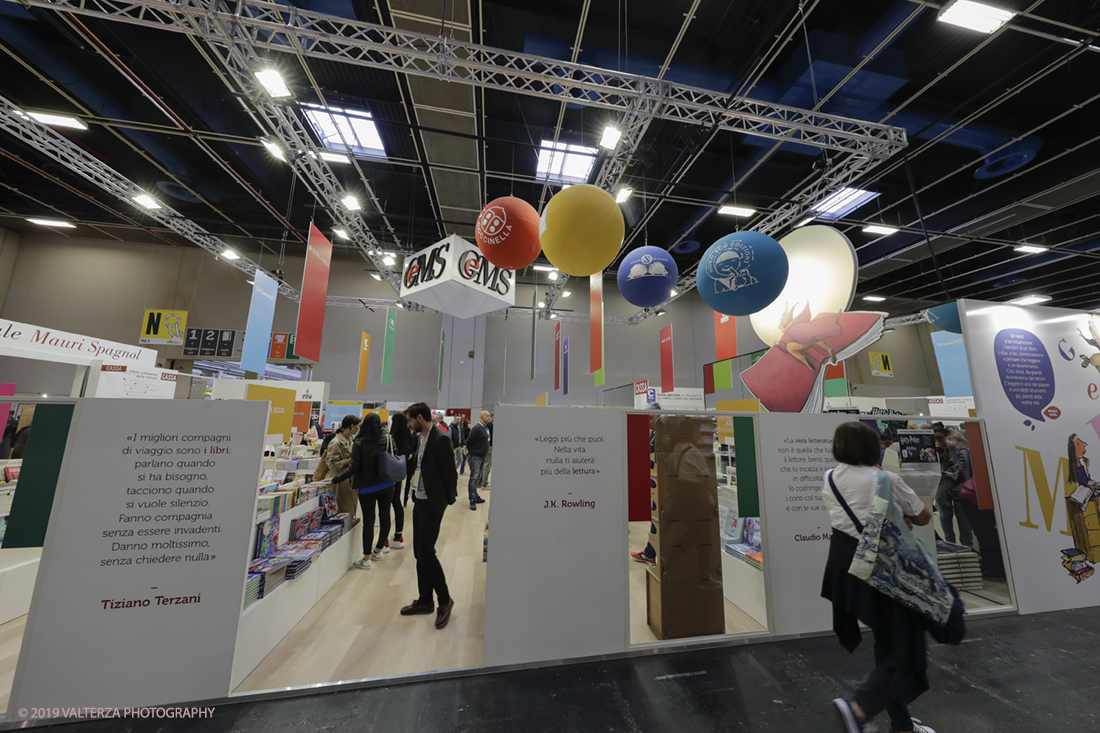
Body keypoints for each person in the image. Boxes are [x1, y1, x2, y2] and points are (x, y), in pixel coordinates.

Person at [822, 422, 935, 733]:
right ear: (874, 448)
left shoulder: (830, 477)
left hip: (845, 567)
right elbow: (924, 516)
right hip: (883, 569)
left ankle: (901, 725)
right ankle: (858, 708)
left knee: (890, 644)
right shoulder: (886, 478)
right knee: (904, 649)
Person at [401, 402, 458, 629]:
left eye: (409, 420)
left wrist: (445, 502)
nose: (408, 425)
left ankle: (444, 600)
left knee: (426, 552)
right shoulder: (420, 438)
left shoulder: (441, 439)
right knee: (418, 553)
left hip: (433, 504)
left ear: (420, 417)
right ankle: (425, 600)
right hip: (420, 501)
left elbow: (450, 474)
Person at [329, 413, 397, 570]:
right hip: (387, 484)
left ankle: (366, 558)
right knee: (385, 516)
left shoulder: (359, 443)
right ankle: (378, 551)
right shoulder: (387, 439)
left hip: (366, 487)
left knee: (369, 521)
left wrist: (335, 480)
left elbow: (353, 468)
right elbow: (395, 456)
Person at [953, 432, 1006, 580]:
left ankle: (992, 568)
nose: (956, 446)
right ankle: (999, 567)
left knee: (983, 533)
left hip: (972, 497)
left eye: (957, 443)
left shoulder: (964, 452)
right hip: (987, 495)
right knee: (990, 532)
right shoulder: (985, 451)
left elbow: (960, 473)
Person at [630, 404, 662, 567]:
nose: (648, 422)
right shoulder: (653, 435)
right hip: (655, 484)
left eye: (650, 418)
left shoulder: (662, 435)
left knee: (658, 519)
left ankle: (650, 553)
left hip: (662, 485)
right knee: (657, 518)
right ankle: (650, 553)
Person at [935, 429, 972, 547]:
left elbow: (961, 469)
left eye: (940, 437)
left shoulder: (957, 448)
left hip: (959, 488)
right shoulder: (934, 449)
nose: (938, 441)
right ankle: (950, 545)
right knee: (945, 516)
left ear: (946, 436)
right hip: (944, 488)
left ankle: (967, 547)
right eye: (935, 438)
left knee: (962, 518)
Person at [325, 415, 361, 516]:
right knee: (342, 511)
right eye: (357, 426)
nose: (358, 428)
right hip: (340, 481)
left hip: (350, 480)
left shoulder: (350, 439)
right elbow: (331, 464)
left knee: (350, 511)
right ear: (352, 426)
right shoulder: (336, 442)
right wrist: (350, 461)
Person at [388, 412, 414, 549]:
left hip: (388, 474)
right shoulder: (408, 437)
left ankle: (383, 541)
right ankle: (398, 535)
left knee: (385, 505)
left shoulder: (391, 438)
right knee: (397, 502)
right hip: (400, 473)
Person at [465, 411, 491, 510]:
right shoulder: (477, 428)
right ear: (482, 417)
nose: (489, 418)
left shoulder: (485, 428)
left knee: (477, 477)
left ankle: (475, 495)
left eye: (489, 416)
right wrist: (471, 451)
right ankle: (472, 499)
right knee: (474, 478)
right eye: (487, 416)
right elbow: (468, 441)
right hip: (475, 457)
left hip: (482, 456)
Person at [478, 412, 494, 490]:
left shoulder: (486, 425)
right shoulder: (490, 425)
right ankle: (484, 484)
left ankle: (480, 482)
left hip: (486, 447)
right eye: (487, 416)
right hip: (489, 447)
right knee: (487, 465)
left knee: (485, 465)